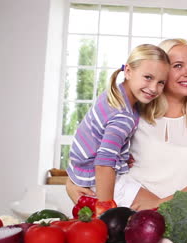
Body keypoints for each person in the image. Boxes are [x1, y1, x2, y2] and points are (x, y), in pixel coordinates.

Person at [66, 39, 187, 211]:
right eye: (177, 66)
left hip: (170, 212)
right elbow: (95, 148)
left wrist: (158, 207)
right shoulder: (132, 113)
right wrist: (72, 181)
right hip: (124, 208)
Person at [65, 44, 170, 216]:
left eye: (161, 83)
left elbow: (97, 137)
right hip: (98, 180)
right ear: (128, 71)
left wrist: (121, 156)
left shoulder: (115, 94)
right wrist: (105, 210)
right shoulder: (123, 116)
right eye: (148, 77)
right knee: (162, 212)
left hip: (83, 171)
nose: (153, 88)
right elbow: (104, 164)